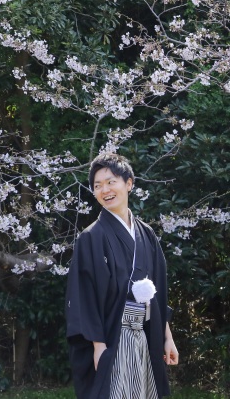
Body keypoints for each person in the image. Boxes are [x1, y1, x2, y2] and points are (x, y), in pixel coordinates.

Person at [65, 153, 179, 398]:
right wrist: (98, 346)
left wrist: (167, 337)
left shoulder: (146, 234)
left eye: (111, 182)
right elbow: (85, 296)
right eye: (97, 185)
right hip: (111, 338)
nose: (104, 190)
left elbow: (158, 290)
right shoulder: (91, 237)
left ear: (129, 183)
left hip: (145, 334)